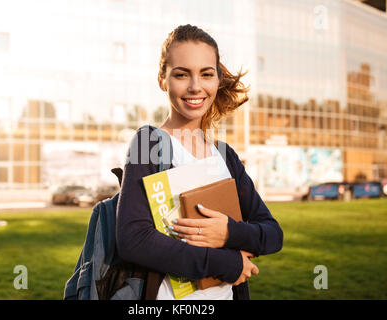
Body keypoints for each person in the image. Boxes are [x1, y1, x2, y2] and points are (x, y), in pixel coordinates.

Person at [116, 24, 283, 300]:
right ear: (162, 80)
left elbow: (272, 234)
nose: (195, 87)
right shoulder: (149, 143)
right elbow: (134, 240)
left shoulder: (225, 156)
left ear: (217, 79)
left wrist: (227, 232)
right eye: (182, 75)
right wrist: (227, 264)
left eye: (206, 74)